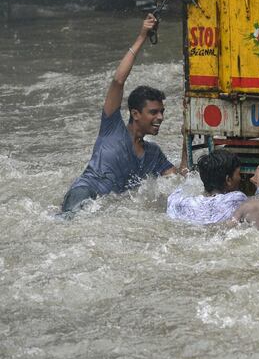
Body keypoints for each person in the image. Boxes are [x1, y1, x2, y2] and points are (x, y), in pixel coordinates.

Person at [60, 15, 182, 216]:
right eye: (153, 112)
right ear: (135, 113)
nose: (160, 117)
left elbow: (180, 181)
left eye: (162, 112)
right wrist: (142, 36)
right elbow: (118, 81)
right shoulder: (111, 127)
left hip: (108, 210)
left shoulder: (154, 155)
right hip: (85, 193)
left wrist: (187, 140)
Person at [166, 150, 247, 225]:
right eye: (239, 174)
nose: (241, 178)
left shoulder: (179, 201)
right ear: (228, 180)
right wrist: (258, 186)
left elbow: (177, 192)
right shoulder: (236, 199)